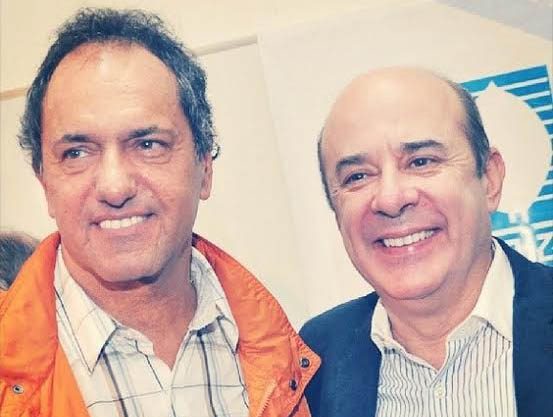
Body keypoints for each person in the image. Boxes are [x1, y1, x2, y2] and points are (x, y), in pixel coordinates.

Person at [0, 8, 319, 417]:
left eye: (148, 144)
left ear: (205, 167)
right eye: (77, 153)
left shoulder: (292, 357)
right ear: (45, 182)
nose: (115, 187)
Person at [300, 67, 553, 417]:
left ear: (489, 179)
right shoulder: (313, 361)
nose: (390, 199)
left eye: (421, 161)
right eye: (357, 176)